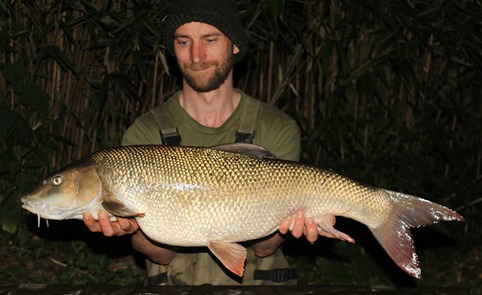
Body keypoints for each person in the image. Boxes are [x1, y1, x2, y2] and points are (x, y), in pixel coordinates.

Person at [83, 0, 336, 285]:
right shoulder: (144, 134)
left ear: (234, 45)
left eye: (210, 40)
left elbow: (265, 248)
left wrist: (293, 221)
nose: (196, 55)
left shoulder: (276, 127)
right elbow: (160, 255)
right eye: (183, 42)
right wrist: (129, 228)